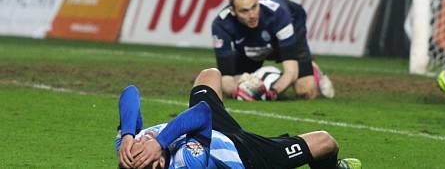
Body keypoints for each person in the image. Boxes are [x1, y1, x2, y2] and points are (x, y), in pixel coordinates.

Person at [115, 68, 361, 169]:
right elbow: (202, 112)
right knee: (326, 141)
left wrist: (127, 135)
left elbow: (130, 93)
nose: (145, 136)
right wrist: (160, 141)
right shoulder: (188, 160)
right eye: (144, 145)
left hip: (216, 131)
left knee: (209, 74)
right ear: (157, 162)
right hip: (248, 155)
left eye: (141, 140)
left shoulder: (128, 151)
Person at [211, 0, 334, 101]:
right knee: (239, 81)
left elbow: (291, 72)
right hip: (250, 42)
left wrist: (272, 93)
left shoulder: (278, 13)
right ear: (233, 11)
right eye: (244, 11)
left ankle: (312, 69)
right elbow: (225, 79)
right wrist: (239, 92)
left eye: (254, 6)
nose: (252, 15)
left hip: (293, 21)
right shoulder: (221, 25)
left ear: (258, 1)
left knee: (305, 91)